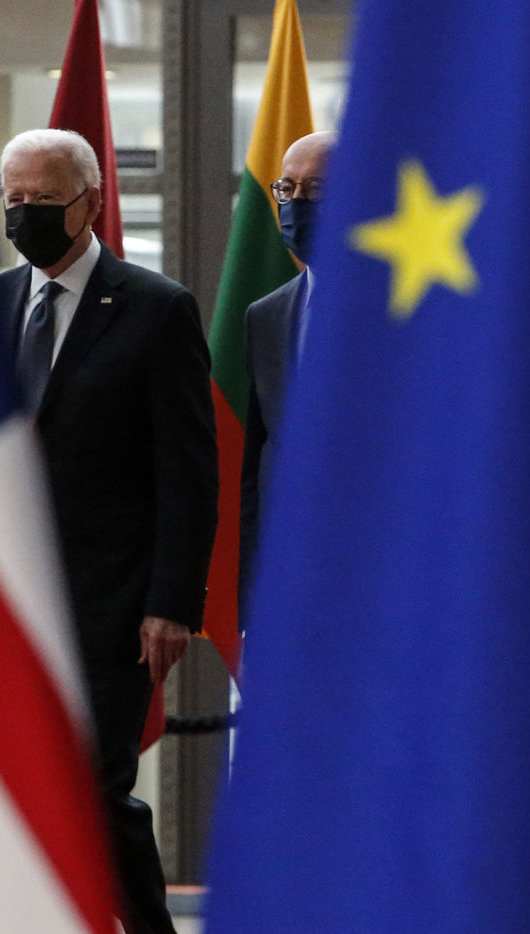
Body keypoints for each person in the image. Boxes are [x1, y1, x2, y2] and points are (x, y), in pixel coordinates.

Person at [0, 128, 219, 934]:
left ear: (90, 203)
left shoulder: (156, 309)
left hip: (110, 605)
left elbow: (188, 473)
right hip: (1, 604)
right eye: (14, 200)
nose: (24, 215)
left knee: (93, 786)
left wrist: (172, 603)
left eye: (44, 200)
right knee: (8, 789)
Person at [240, 131, 336, 608]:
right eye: (287, 188)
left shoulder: (409, 311)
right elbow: (257, 463)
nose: (297, 202)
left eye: (315, 189)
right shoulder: (266, 315)